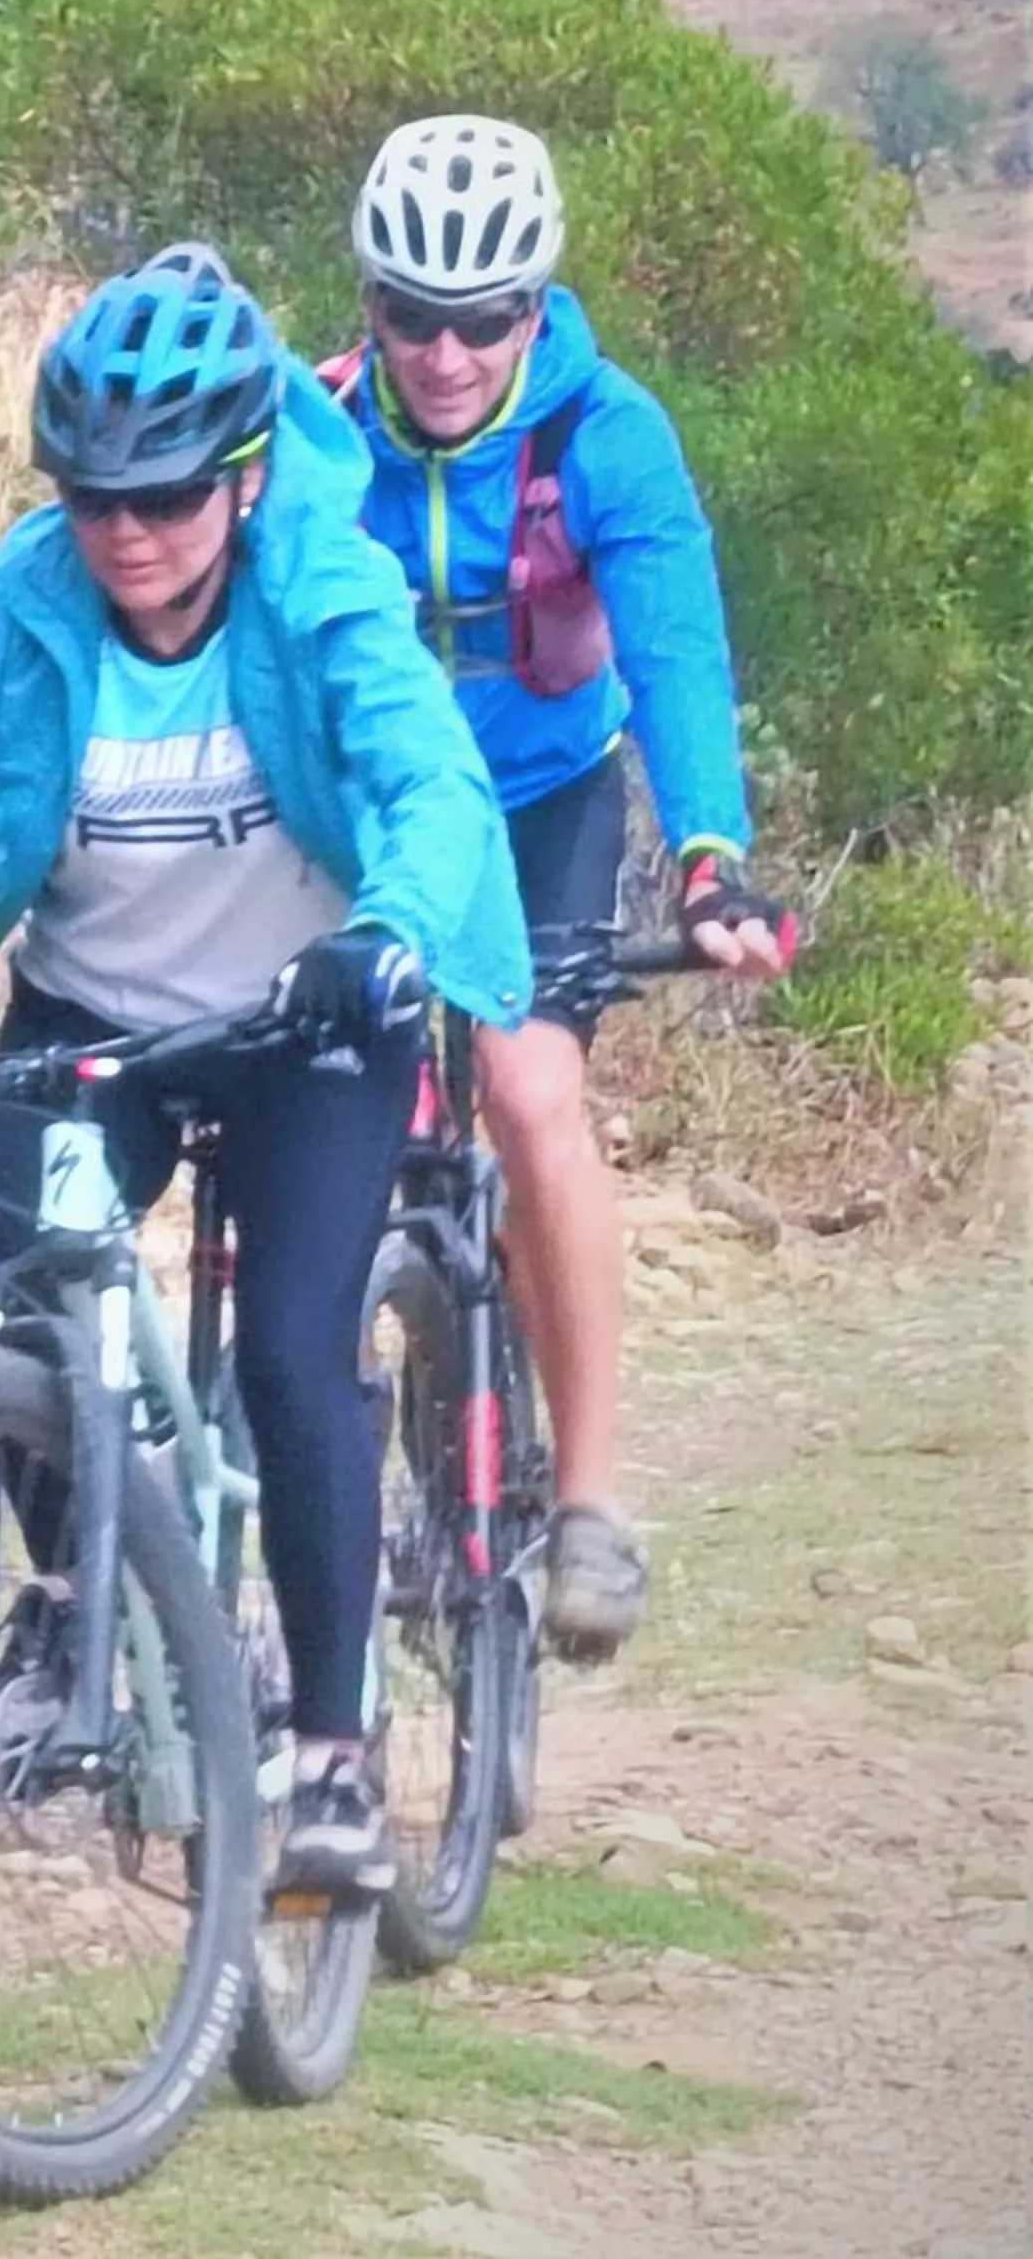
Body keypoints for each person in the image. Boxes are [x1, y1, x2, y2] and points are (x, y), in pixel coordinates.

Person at [0, 244, 534, 1894]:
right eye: (92, 497)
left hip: (307, 1021)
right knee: (13, 1291)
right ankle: (87, 1599)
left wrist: (385, 932)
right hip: (95, 1024)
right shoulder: (25, 604)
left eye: (166, 497)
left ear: (241, 480)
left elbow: (429, 784)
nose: (126, 532)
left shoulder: (318, 577)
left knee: (302, 1359)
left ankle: (329, 1753)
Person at [331, 115, 795, 1661]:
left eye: (483, 321)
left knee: (528, 1099)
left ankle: (586, 1501)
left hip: (542, 801)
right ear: (368, 307)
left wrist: (711, 857)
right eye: (411, 316)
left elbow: (673, 655)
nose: (446, 355)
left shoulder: (606, 436)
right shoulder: (325, 435)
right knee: (325, 1115)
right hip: (380, 819)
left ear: (535, 307)